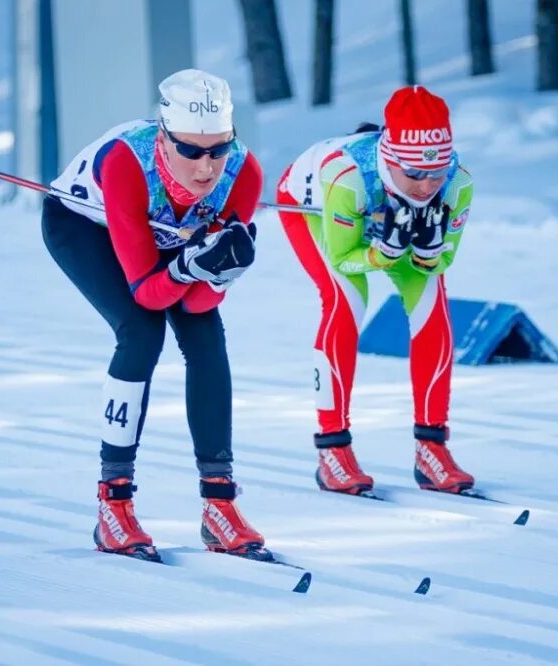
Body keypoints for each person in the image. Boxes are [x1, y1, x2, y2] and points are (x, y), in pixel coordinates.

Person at [42, 69, 271, 561]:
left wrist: (215, 276)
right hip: (87, 227)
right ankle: (113, 505)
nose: (206, 167)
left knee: (207, 338)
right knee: (141, 333)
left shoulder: (244, 175)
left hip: (171, 236)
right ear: (164, 140)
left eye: (218, 149)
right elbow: (148, 294)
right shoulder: (128, 162)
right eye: (190, 150)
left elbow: (194, 304)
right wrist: (192, 265)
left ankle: (220, 505)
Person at [275, 85, 476, 497]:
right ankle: (333, 448)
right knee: (346, 299)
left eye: (436, 173)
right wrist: (384, 253)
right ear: (391, 160)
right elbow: (346, 257)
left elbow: (443, 262)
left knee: (431, 303)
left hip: (376, 220)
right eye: (415, 174)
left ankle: (432, 446)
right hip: (310, 204)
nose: (426, 187)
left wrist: (427, 253)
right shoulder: (346, 177)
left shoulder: (458, 184)